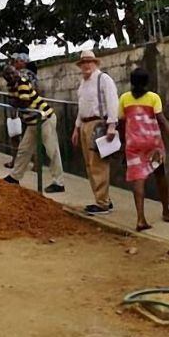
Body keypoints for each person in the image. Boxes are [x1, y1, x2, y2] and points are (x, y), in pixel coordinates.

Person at [118, 67, 169, 231]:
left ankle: (140, 219)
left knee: (138, 179)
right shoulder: (153, 98)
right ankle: (166, 211)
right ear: (147, 82)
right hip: (152, 144)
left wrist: (123, 145)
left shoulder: (124, 99)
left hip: (133, 144)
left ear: (131, 82)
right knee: (160, 175)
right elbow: (162, 121)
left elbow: (121, 123)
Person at [1, 66, 66, 193]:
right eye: (10, 74)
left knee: (52, 151)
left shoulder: (22, 82)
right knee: (24, 149)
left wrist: (14, 102)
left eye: (14, 73)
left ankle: (59, 182)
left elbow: (24, 102)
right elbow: (15, 101)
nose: (13, 75)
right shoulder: (11, 86)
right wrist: (14, 102)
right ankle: (15, 176)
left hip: (44, 119)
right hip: (32, 122)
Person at [70, 50, 119, 215]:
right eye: (83, 62)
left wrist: (112, 125)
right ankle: (102, 198)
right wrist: (77, 128)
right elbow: (81, 107)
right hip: (85, 124)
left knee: (98, 164)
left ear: (95, 63)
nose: (86, 65)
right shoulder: (83, 83)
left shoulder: (103, 79)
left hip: (98, 123)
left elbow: (113, 102)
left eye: (89, 62)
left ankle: (102, 202)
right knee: (90, 164)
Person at [5, 53, 37, 169]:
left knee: (23, 136)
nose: (14, 63)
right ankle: (29, 162)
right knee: (24, 136)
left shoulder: (24, 75)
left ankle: (22, 161)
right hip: (25, 108)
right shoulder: (27, 74)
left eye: (17, 61)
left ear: (23, 62)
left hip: (24, 108)